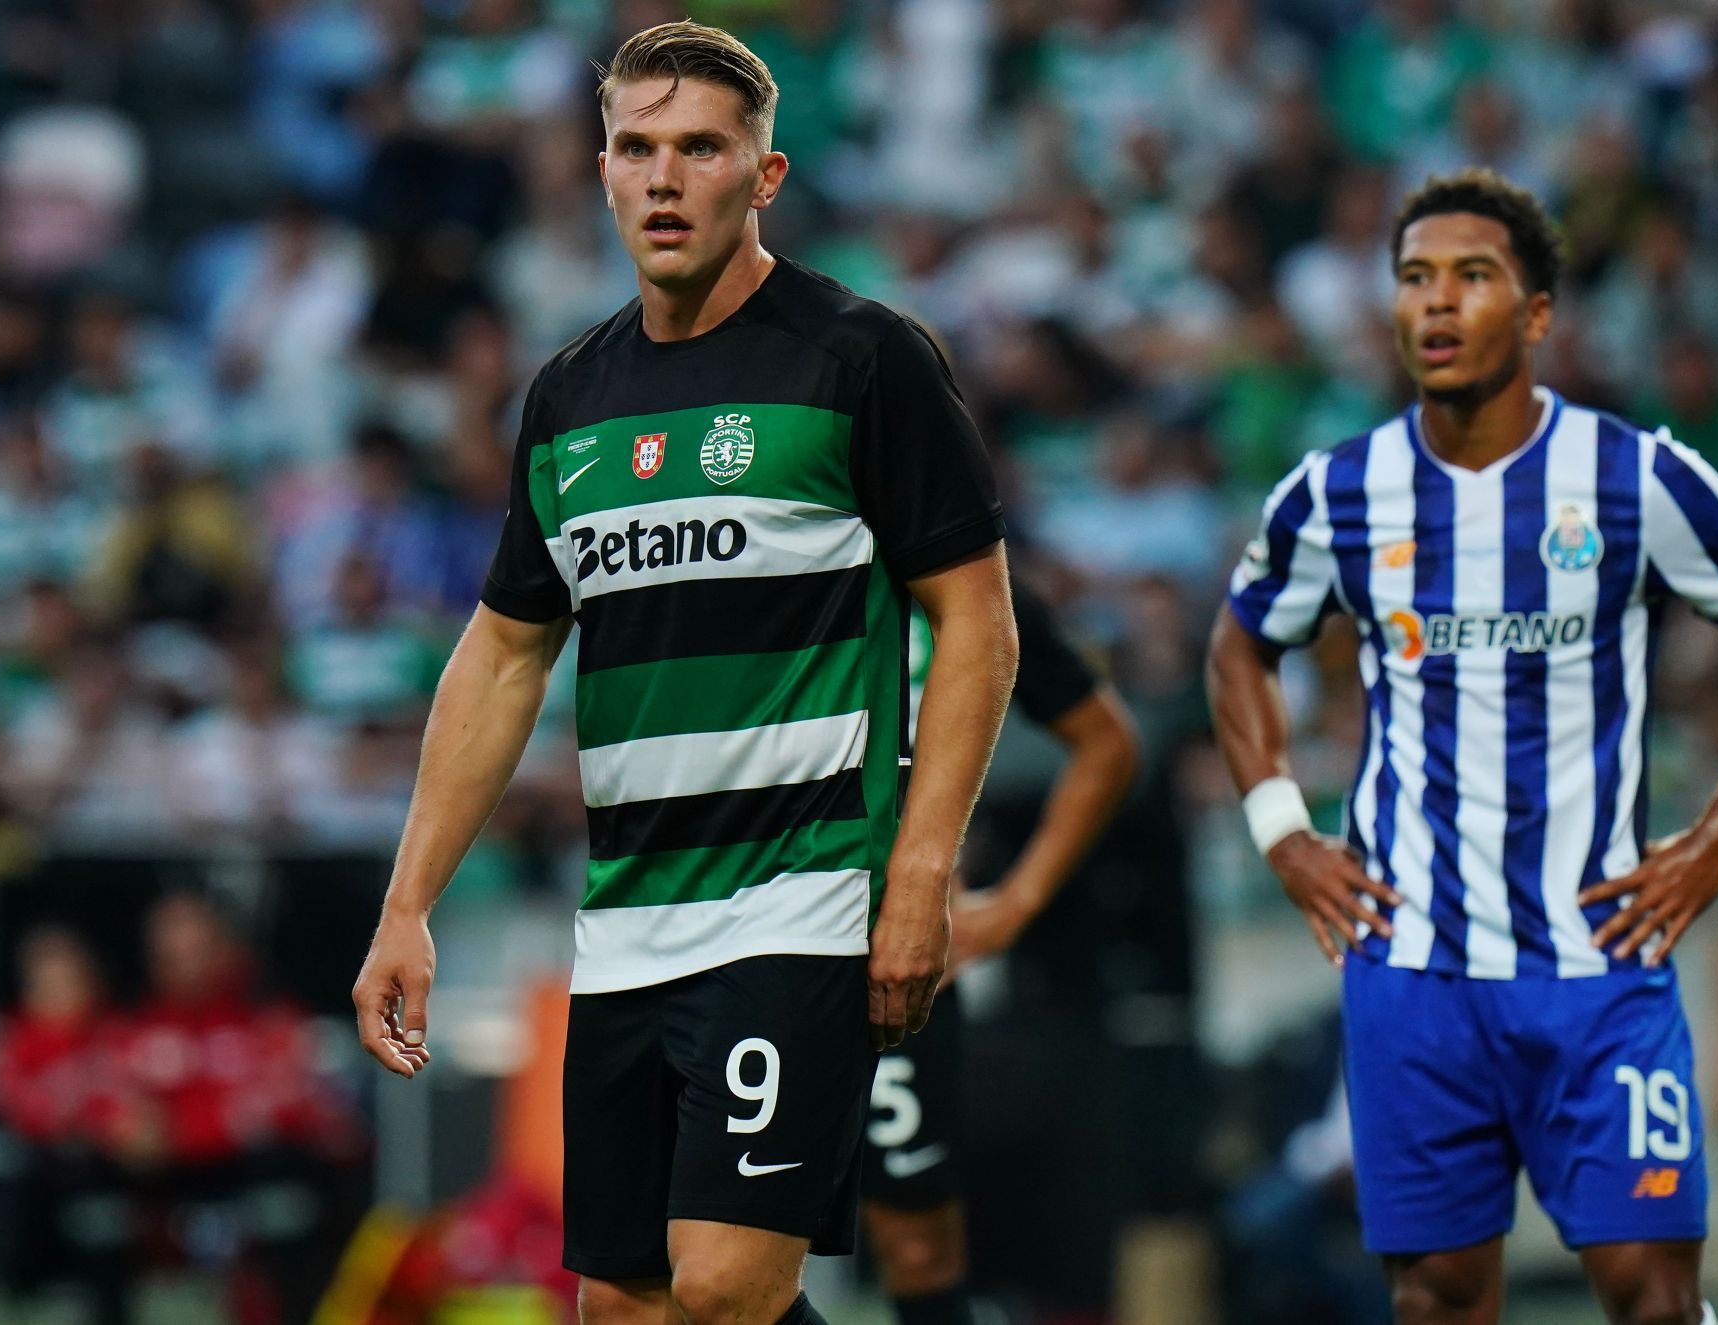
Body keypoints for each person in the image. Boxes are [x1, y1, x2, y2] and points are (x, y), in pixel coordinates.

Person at [350, 20, 1019, 1325]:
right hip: (628, 914)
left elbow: (978, 623)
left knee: (721, 1283)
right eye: (637, 149)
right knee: (626, 1307)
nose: (664, 178)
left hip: (802, 899)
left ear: (763, 178)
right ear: (599, 170)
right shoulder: (567, 398)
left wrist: (922, 874)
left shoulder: (861, 357)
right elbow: (501, 656)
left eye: (700, 149)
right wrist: (407, 904)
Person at [1206, 168, 1718, 1325]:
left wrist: (1716, 841)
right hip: (1414, 970)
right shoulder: (1338, 492)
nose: (1437, 305)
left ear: (1537, 314)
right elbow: (1238, 647)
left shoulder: (1638, 478)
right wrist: (1283, 832)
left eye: (1474, 277)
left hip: (1596, 961)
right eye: (1414, 279)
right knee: (1440, 1294)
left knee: (1650, 1291)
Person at [862, 579, 1140, 1324]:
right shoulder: (758, 553)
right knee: (727, 1246)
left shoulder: (967, 580)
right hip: (751, 942)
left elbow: (1107, 741)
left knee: (918, 1241)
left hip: (891, 963)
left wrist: (1016, 903)